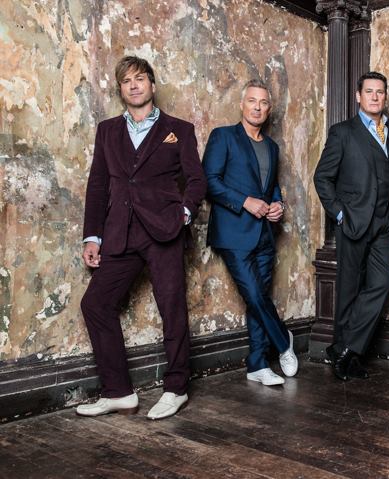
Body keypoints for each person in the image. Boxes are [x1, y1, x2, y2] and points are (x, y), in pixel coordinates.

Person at [77, 56, 207, 420]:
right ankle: (119, 392)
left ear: (151, 84)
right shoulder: (107, 131)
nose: (133, 85)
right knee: (96, 304)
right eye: (126, 81)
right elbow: (98, 185)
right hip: (120, 231)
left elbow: (196, 180)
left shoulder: (178, 129)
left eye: (139, 78)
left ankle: (176, 388)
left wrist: (184, 214)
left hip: (164, 230)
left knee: (172, 308)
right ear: (121, 89)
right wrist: (92, 237)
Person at [313, 71, 389, 380]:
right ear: (359, 96)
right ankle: (348, 356)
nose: (374, 96)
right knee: (349, 291)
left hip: (384, 224)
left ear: (385, 97)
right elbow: (322, 177)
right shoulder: (343, 132)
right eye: (369, 91)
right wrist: (340, 214)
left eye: (380, 92)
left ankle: (344, 349)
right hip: (353, 223)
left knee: (382, 283)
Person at [203, 79, 298, 386]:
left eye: (263, 103)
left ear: (269, 109)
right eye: (252, 101)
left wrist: (277, 204)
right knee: (254, 294)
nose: (258, 107)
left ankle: (257, 364)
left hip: (265, 234)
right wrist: (245, 201)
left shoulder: (271, 147)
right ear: (242, 104)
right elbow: (209, 181)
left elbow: (270, 186)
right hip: (233, 234)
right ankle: (283, 340)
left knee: (259, 299)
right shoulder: (223, 137)